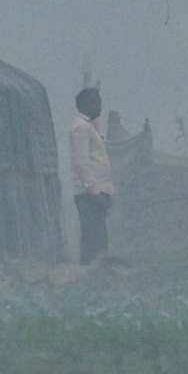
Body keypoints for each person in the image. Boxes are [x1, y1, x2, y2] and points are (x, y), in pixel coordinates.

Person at [65, 81, 116, 265]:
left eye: (100, 102)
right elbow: (81, 162)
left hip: (97, 191)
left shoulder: (91, 126)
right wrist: (94, 190)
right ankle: (89, 272)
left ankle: (98, 272)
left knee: (99, 238)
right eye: (95, 102)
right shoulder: (80, 127)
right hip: (88, 193)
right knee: (92, 238)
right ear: (84, 105)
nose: (99, 106)